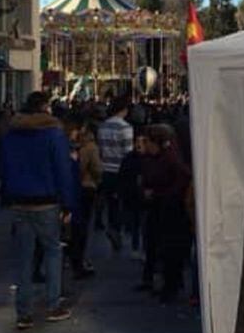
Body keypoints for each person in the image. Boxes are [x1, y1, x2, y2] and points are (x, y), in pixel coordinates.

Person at [0, 91, 76, 330]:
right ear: (45, 108)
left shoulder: (12, 134)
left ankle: (24, 312)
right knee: (53, 252)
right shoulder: (53, 133)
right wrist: (68, 203)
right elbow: (62, 169)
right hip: (47, 201)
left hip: (19, 200)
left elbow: (3, 166)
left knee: (23, 258)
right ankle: (53, 304)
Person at [140, 123, 193, 303]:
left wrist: (160, 193)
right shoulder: (164, 158)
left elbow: (182, 177)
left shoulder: (170, 159)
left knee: (169, 249)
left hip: (170, 210)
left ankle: (171, 286)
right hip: (165, 208)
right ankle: (169, 284)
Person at [97, 95, 134, 246]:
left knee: (111, 201)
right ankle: (118, 229)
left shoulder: (103, 126)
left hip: (106, 169)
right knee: (122, 201)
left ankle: (112, 227)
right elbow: (128, 152)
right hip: (120, 170)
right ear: (124, 110)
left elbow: (100, 148)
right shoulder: (125, 127)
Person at [68, 121, 101, 278]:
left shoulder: (71, 146)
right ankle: (78, 261)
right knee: (82, 227)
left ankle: (74, 258)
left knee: (74, 227)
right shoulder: (90, 147)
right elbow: (96, 168)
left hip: (71, 188)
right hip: (87, 186)